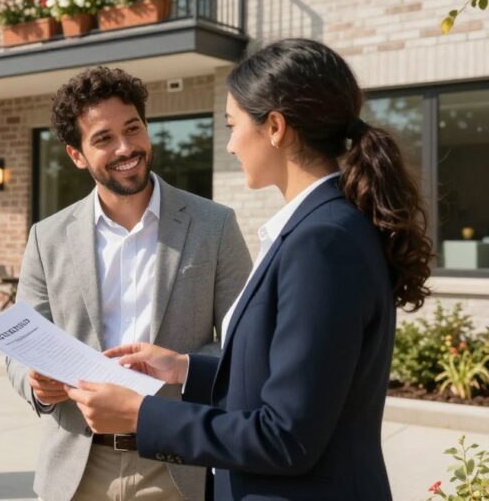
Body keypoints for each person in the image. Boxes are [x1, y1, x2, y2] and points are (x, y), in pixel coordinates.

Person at [65, 39, 434, 501]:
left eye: (232, 125)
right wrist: (184, 370)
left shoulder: (322, 241)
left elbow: (286, 436)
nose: (231, 144)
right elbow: (283, 379)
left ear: (275, 127)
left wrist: (142, 415)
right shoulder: (313, 228)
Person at [7, 66, 253, 501]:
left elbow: (245, 345)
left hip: (175, 463)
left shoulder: (214, 225)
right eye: (103, 138)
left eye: (133, 129)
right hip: (76, 468)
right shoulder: (47, 237)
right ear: (77, 155)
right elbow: (22, 343)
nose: (126, 148)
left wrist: (180, 364)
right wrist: (34, 381)